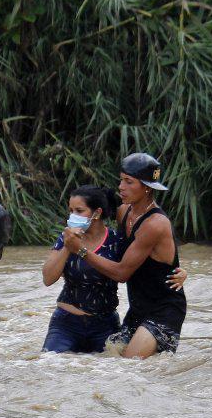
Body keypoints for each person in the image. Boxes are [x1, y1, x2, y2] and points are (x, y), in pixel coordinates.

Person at [42, 184, 187, 354]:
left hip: (104, 325)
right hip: (65, 325)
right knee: (50, 365)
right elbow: (48, 278)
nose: (73, 216)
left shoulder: (116, 242)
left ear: (97, 213)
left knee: (111, 372)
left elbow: (140, 264)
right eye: (71, 210)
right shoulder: (65, 238)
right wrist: (69, 247)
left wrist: (179, 271)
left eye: (79, 211)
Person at [76, 153, 186, 358]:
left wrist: (81, 251)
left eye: (128, 182)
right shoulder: (123, 212)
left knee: (128, 366)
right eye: (121, 180)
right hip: (138, 307)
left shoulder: (155, 224)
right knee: (110, 361)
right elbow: (95, 219)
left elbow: (121, 273)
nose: (121, 187)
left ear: (147, 187)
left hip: (165, 308)